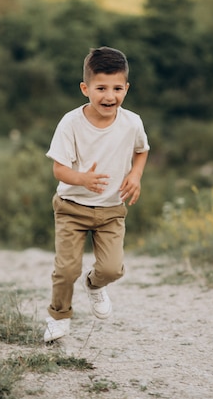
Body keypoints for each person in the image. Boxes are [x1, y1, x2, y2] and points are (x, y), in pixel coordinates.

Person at [43, 47, 150, 342]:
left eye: (117, 88)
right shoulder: (70, 123)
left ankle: (94, 285)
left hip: (111, 210)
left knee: (112, 269)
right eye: (101, 88)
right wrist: (82, 179)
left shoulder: (132, 122)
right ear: (85, 88)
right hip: (71, 206)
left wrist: (135, 175)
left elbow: (142, 151)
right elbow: (59, 170)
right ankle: (59, 316)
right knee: (66, 269)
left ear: (126, 89)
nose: (109, 96)